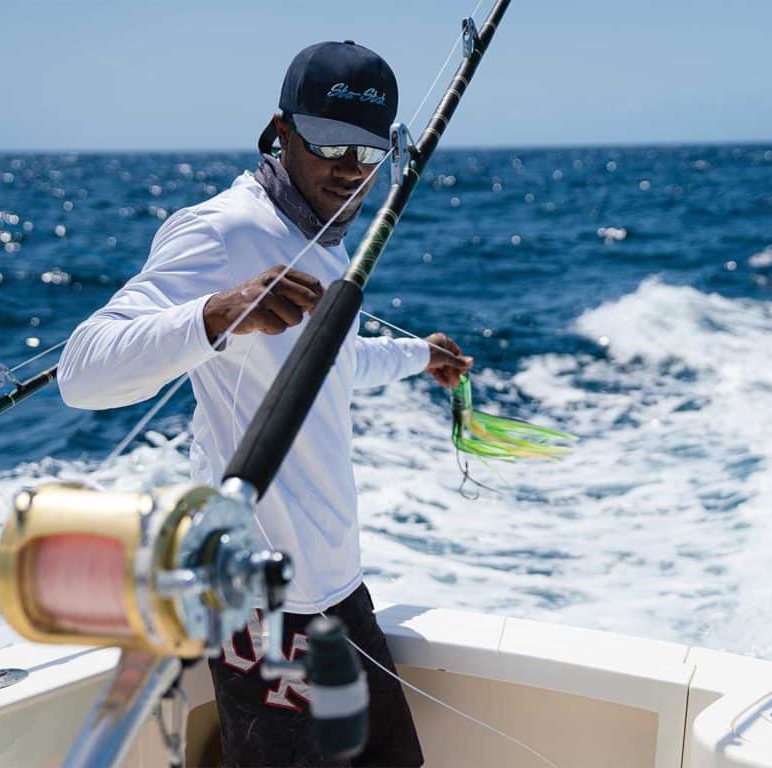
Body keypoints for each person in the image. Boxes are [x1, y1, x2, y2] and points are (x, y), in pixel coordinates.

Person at [59, 40, 473, 767]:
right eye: (328, 144)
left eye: (368, 153)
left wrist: (420, 356)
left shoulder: (324, 239)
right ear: (281, 133)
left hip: (337, 588)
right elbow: (82, 371)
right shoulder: (223, 230)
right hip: (259, 610)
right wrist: (218, 314)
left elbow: (326, 367)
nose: (348, 169)